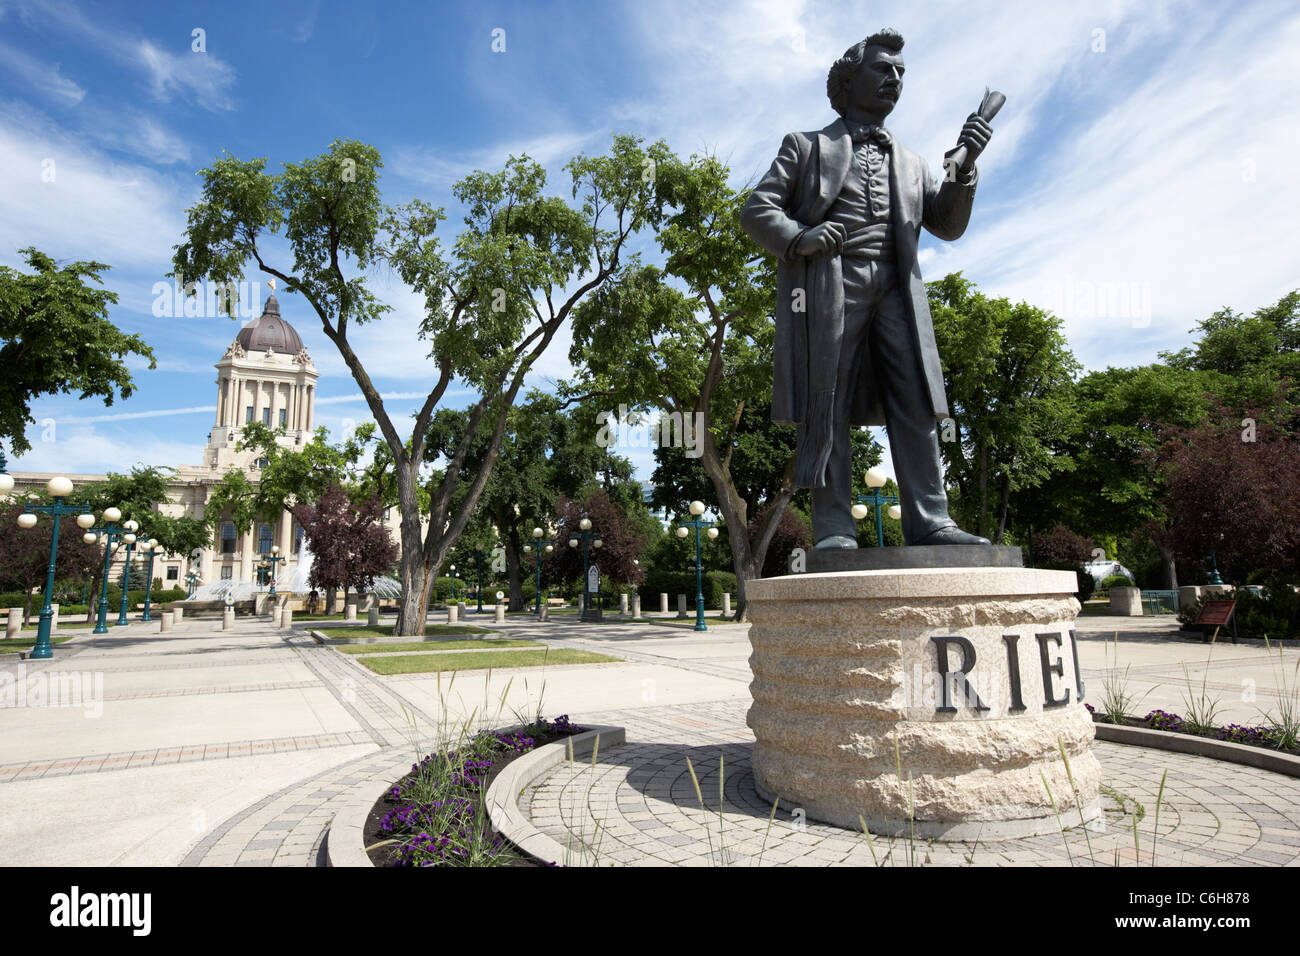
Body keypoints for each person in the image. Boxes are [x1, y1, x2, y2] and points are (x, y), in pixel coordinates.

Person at [741, 28, 993, 549]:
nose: (894, 79)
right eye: (883, 69)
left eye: (901, 73)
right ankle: (834, 526)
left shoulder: (912, 161)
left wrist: (963, 166)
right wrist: (802, 237)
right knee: (825, 402)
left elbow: (945, 223)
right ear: (848, 79)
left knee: (916, 402)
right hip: (833, 281)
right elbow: (757, 209)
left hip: (898, 289)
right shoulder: (806, 146)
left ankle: (930, 520)